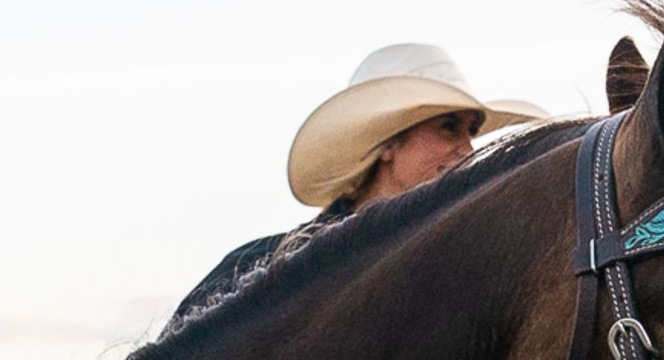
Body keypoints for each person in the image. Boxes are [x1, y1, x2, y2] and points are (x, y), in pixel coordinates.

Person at [168, 44, 547, 329]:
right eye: (448, 127)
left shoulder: (468, 282)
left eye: (471, 131)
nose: (466, 148)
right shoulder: (259, 272)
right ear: (387, 144)